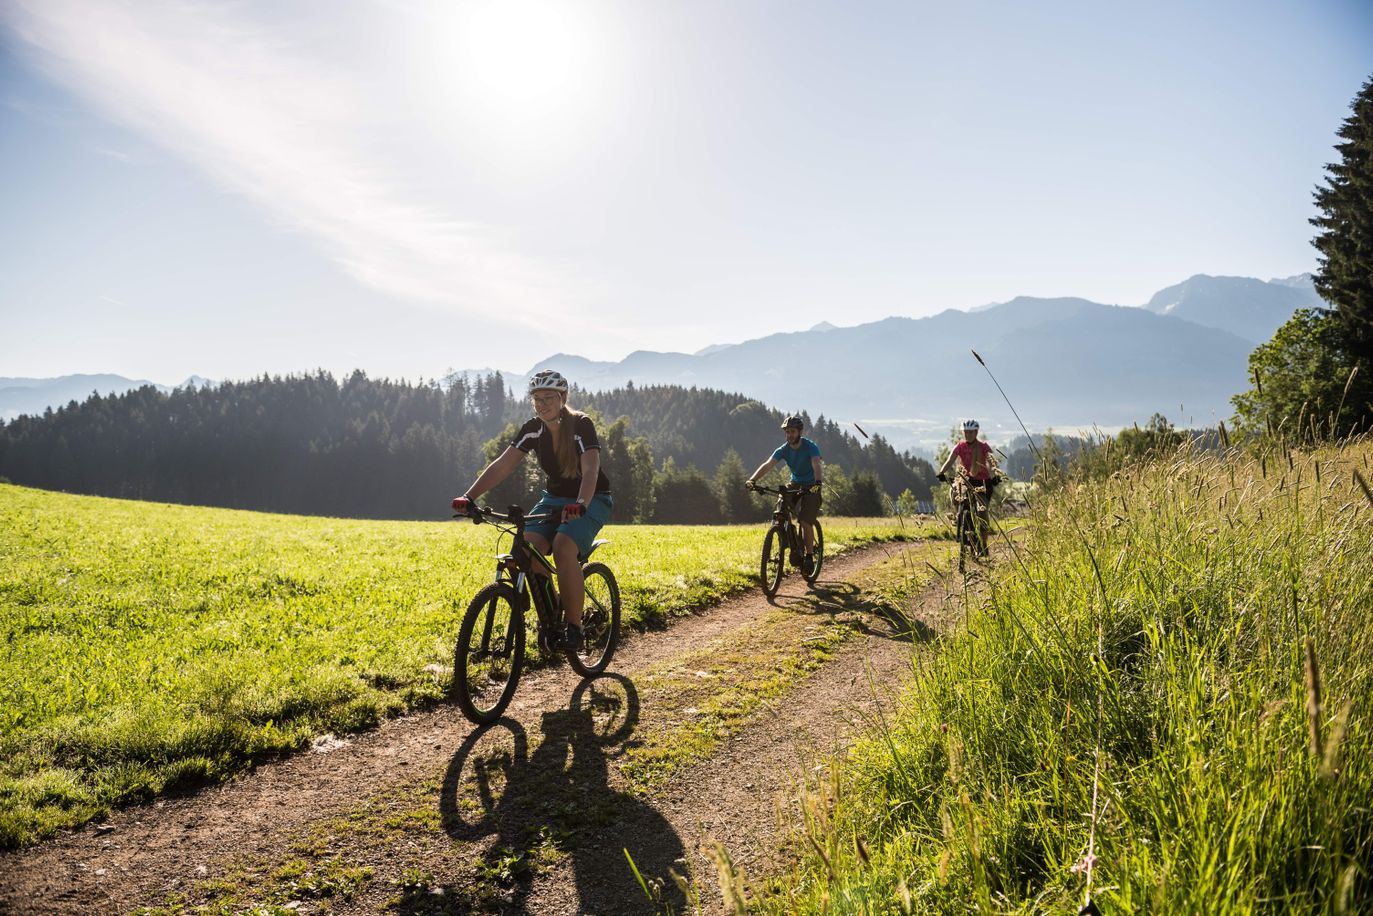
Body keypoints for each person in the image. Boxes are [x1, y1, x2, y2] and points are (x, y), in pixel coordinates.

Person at [452, 370, 612, 652]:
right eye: (536, 398)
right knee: (525, 550)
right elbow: (503, 464)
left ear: (562, 398)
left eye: (548, 397)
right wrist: (469, 496)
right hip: (553, 499)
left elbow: (591, 469)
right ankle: (551, 617)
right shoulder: (533, 429)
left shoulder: (581, 425)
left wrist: (582, 503)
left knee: (563, 548)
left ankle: (573, 628)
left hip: (591, 498)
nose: (541, 403)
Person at [744, 415, 823, 574]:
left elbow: (816, 464)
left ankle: (808, 556)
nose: (789, 435)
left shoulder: (810, 446)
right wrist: (752, 480)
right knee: (780, 508)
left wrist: (817, 483)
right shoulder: (783, 449)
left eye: (792, 431)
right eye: (787, 432)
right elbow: (768, 465)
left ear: (800, 432)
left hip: (812, 485)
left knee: (805, 520)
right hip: (795, 483)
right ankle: (788, 540)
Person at [936, 419, 999, 555]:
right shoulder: (960, 446)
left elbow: (991, 463)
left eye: (971, 432)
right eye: (966, 432)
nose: (968, 435)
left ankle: (983, 544)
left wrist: (995, 476)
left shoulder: (983, 447)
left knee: (982, 513)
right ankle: (960, 514)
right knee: (954, 492)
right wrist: (941, 472)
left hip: (982, 483)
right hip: (965, 480)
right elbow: (949, 460)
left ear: (976, 432)